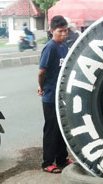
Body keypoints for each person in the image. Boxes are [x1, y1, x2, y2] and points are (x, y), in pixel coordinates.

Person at [38, 15, 70, 173]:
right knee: (51, 129)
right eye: (60, 31)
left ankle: (62, 158)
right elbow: (41, 72)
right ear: (52, 31)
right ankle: (47, 162)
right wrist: (41, 87)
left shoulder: (64, 46)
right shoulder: (50, 47)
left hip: (62, 96)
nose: (64, 34)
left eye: (65, 31)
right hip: (50, 96)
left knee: (62, 128)